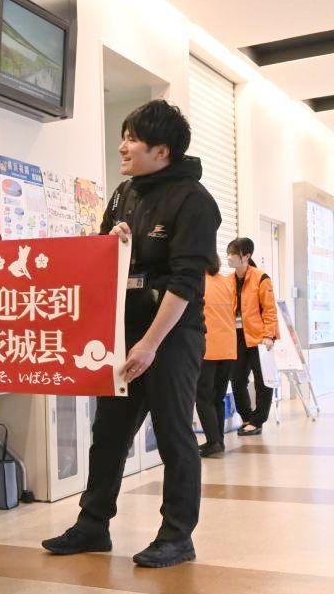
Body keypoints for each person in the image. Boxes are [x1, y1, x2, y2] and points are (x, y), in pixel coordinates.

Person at [42, 99, 220, 568]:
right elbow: (104, 258)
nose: (122, 145)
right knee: (109, 433)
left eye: (132, 138)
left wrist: (150, 345)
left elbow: (185, 283)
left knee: (174, 433)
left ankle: (177, 535)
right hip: (125, 331)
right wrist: (114, 241)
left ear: (162, 150)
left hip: (172, 335)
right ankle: (92, 524)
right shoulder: (125, 194)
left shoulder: (195, 201)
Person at [227, 237, 279, 437]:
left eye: (233, 253)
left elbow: (270, 310)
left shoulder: (261, 278)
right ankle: (247, 417)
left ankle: (258, 420)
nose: (229, 257)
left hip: (259, 338)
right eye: (228, 253)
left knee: (262, 380)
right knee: (237, 379)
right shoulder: (228, 280)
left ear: (246, 256)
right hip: (236, 336)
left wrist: (268, 335)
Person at [196, 259, 237, 458]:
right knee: (217, 397)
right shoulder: (226, 283)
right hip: (228, 347)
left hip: (209, 347)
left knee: (203, 397)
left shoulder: (199, 281)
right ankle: (218, 440)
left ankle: (214, 442)